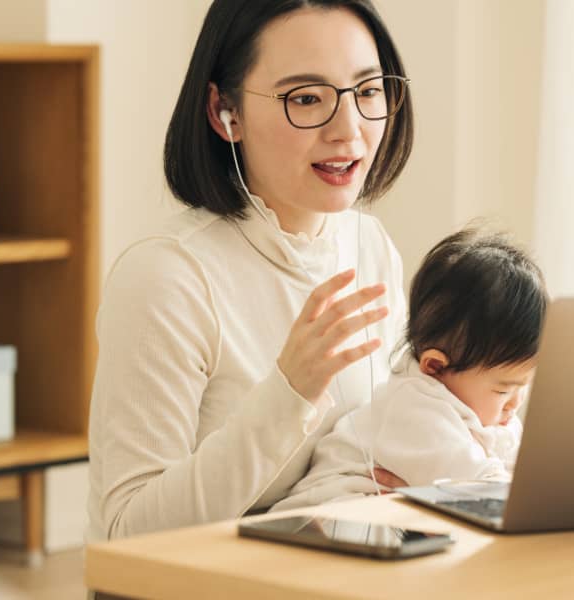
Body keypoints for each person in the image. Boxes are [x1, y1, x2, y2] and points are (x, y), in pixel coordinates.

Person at [86, 0, 414, 541]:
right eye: (306, 98)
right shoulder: (166, 277)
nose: (348, 129)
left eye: (367, 91)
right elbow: (130, 533)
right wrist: (290, 392)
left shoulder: (369, 245)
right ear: (225, 113)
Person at [272, 227, 548, 511]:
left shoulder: (492, 417)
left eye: (523, 385)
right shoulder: (414, 408)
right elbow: (480, 490)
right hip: (322, 514)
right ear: (435, 367)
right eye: (503, 389)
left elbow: (520, 478)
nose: (515, 403)